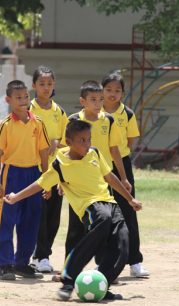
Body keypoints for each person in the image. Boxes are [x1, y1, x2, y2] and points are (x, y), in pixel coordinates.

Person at [4, 120, 142, 301]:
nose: (87, 144)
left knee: (123, 242)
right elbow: (39, 184)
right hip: (90, 206)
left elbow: (109, 177)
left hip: (109, 202)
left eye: (89, 139)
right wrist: (16, 197)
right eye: (82, 140)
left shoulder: (95, 153)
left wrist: (130, 199)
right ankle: (68, 280)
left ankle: (101, 284)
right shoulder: (60, 164)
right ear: (68, 142)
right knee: (103, 220)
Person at [64, 80, 129, 260]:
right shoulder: (73, 120)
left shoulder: (108, 120)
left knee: (105, 225)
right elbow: (64, 151)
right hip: (77, 182)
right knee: (76, 227)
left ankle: (104, 268)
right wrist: (62, 181)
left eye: (101, 99)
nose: (98, 103)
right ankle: (68, 269)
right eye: (93, 99)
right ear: (82, 101)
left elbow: (115, 149)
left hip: (101, 181)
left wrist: (123, 178)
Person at [0, 80, 50, 281]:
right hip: (13, 174)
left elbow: (44, 152)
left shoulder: (39, 123)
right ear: (8, 100)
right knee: (8, 220)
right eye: (18, 97)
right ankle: (5, 264)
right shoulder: (5, 125)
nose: (23, 101)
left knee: (31, 220)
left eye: (26, 96)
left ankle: (22, 262)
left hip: (34, 174)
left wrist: (47, 179)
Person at [101, 72, 149, 278]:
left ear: (123, 93)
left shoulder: (127, 114)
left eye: (117, 90)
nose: (112, 94)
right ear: (102, 90)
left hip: (122, 166)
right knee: (102, 213)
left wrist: (121, 168)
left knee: (128, 211)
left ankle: (135, 261)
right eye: (109, 90)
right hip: (97, 166)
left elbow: (129, 142)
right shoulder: (94, 111)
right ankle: (104, 261)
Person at [29, 66, 68, 273]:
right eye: (42, 84)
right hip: (34, 169)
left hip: (55, 169)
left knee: (53, 216)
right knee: (39, 214)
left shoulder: (59, 112)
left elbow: (66, 142)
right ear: (34, 85)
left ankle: (43, 253)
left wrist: (55, 143)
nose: (46, 88)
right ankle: (39, 255)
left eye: (49, 84)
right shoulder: (28, 110)